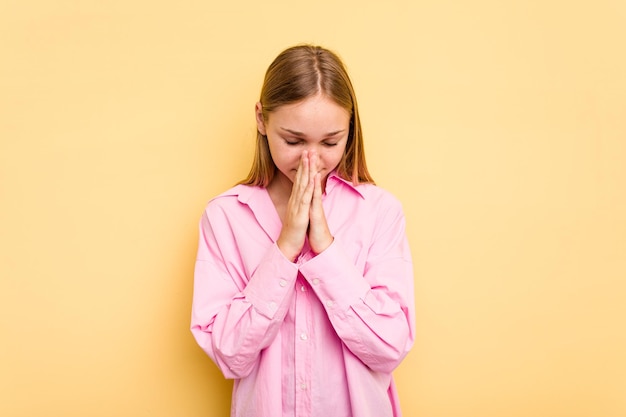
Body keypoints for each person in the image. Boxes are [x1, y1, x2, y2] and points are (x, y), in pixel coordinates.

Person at [190, 44, 415, 417]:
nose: (312, 159)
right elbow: (229, 354)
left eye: (330, 142)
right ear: (262, 120)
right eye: (293, 141)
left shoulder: (379, 211)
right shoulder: (225, 217)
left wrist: (325, 249)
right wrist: (285, 247)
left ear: (350, 130)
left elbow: (389, 347)